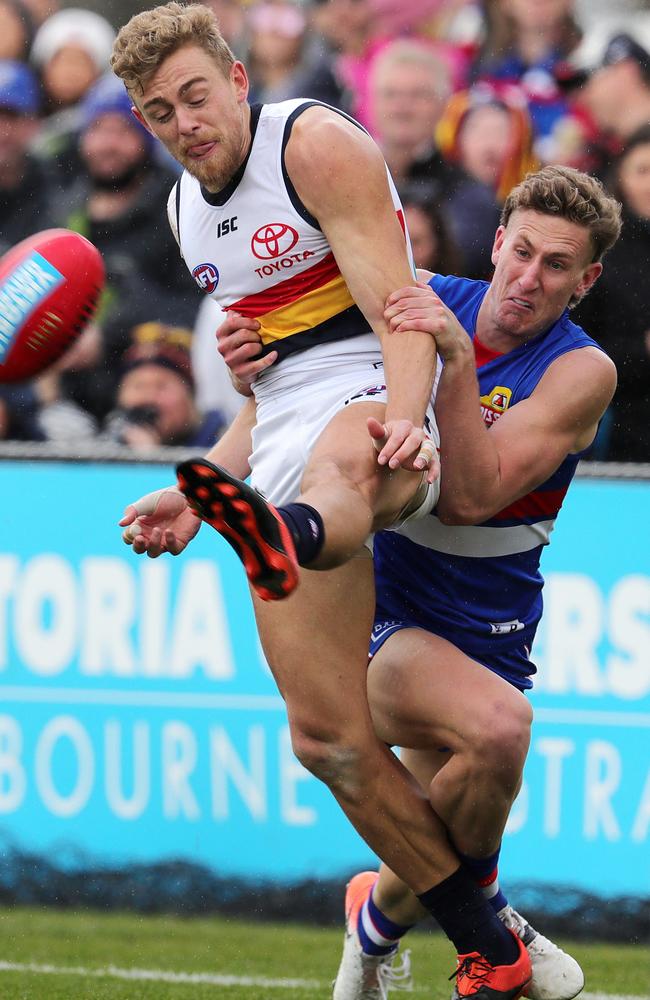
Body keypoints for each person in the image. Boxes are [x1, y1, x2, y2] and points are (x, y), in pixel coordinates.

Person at [113, 4, 533, 996]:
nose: (183, 122)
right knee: (327, 738)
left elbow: (394, 307)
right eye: (158, 111)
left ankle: (287, 528)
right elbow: (269, 383)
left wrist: (403, 414)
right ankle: (491, 945)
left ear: (238, 78)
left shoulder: (314, 143)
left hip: (373, 387)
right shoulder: (184, 212)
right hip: (286, 427)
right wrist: (191, 486)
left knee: (344, 474)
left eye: (195, 95)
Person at [194, 165, 621, 1000]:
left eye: (557, 265)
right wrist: (252, 366)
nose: (529, 278)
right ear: (497, 241)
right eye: (523, 250)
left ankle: (381, 923)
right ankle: (488, 937)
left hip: (488, 632)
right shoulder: (416, 294)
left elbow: (468, 498)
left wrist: (455, 361)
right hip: (382, 613)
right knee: (499, 731)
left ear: (587, 280)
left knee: (446, 811)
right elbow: (290, 387)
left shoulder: (582, 373)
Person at [573, 124, 650, 462]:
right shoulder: (602, 252)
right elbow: (573, 349)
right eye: (644, 170)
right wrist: (642, 350)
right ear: (622, 177)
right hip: (619, 436)